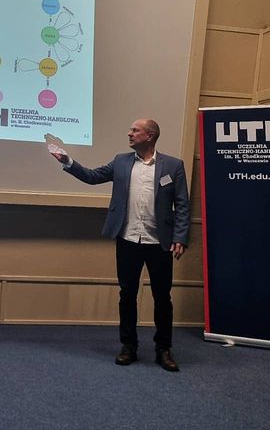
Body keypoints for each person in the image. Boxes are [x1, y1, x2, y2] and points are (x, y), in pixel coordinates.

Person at [50, 119, 189, 372]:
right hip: (127, 240)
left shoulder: (173, 165)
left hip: (160, 243)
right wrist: (68, 162)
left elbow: (182, 204)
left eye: (135, 130)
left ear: (150, 136)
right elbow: (92, 177)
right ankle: (128, 346)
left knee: (162, 297)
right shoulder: (121, 161)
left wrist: (180, 237)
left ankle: (163, 349)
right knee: (127, 295)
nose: (129, 133)